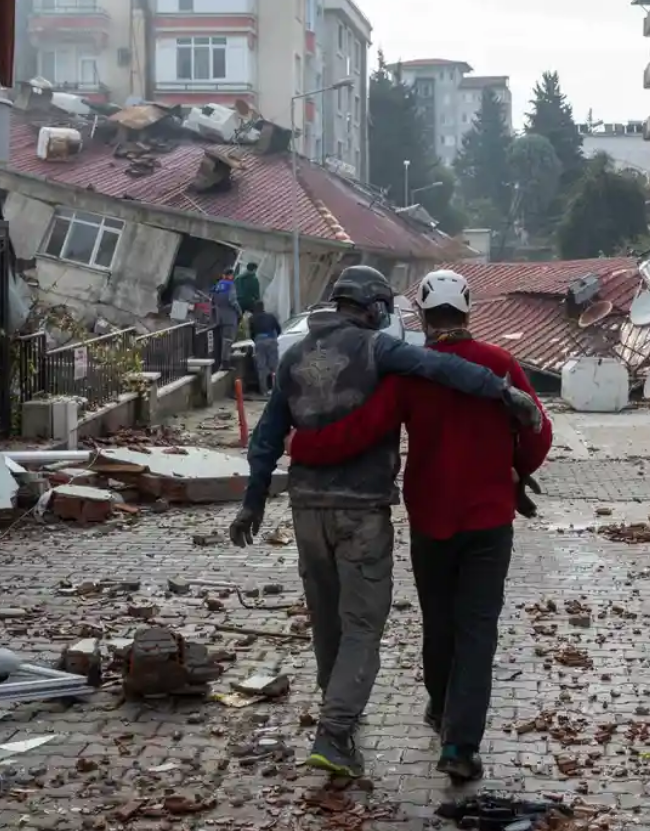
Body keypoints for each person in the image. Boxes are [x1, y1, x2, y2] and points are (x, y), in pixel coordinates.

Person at [228, 265, 543, 780]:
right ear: (374, 307)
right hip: (366, 511)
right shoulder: (381, 351)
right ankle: (339, 732)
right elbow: (444, 369)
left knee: (329, 620)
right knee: (364, 627)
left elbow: (265, 437)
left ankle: (346, 718)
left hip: (308, 509)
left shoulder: (293, 357)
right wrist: (502, 393)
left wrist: (254, 500)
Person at [248, 300, 282, 395]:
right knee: (274, 367)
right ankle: (276, 390)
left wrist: (256, 340)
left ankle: (264, 391)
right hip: (271, 340)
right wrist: (273, 338)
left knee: (261, 368)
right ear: (263, 307)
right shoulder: (270, 316)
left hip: (259, 341)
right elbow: (279, 329)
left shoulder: (252, 318)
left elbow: (251, 333)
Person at [210, 268, 240, 371]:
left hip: (219, 318)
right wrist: (239, 312)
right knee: (228, 340)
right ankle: (225, 364)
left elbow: (212, 301)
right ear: (231, 275)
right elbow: (233, 301)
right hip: (230, 317)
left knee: (222, 340)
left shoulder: (218, 286)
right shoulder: (230, 285)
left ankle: (220, 363)